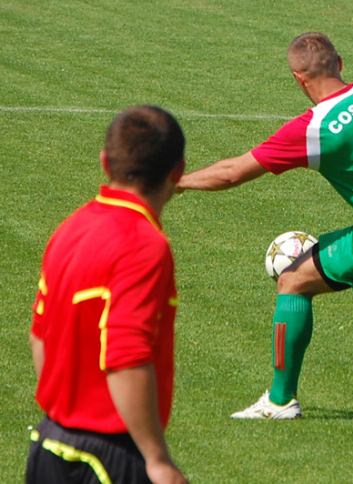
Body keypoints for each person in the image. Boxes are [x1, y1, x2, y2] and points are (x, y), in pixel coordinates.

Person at [177, 32, 353, 419]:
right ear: (340, 63)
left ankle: (279, 401)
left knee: (293, 281)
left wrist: (176, 182)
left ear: (298, 78)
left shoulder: (314, 127)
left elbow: (231, 173)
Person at [26, 105, 188, 482]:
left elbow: (40, 336)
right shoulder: (144, 245)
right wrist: (156, 458)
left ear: (105, 162)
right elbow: (126, 357)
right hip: (107, 459)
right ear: (177, 173)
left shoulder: (70, 228)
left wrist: (67, 410)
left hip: (49, 445)